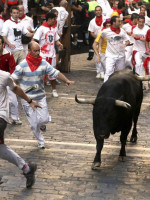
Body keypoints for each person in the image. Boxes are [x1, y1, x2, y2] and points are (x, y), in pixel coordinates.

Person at [11, 41, 74, 149]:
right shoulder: (22, 65)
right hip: (27, 99)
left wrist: (66, 80)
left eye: (39, 50)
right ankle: (41, 141)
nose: (37, 53)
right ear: (29, 51)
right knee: (33, 124)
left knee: (43, 120)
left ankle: (41, 124)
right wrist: (18, 89)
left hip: (40, 97)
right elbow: (12, 79)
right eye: (35, 51)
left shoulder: (43, 63)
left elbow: (55, 72)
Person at [0, 69, 41, 188]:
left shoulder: (4, 76)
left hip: (0, 116)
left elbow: (15, 88)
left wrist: (30, 101)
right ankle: (27, 168)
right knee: (1, 148)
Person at [33, 12, 63, 98]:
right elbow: (34, 39)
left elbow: (55, 40)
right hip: (43, 55)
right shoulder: (41, 29)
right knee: (40, 74)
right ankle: (39, 91)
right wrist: (36, 51)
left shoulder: (53, 29)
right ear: (50, 19)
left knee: (52, 74)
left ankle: (54, 90)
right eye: (54, 19)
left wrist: (59, 44)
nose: (55, 20)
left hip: (52, 55)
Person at [99, 16, 130, 82]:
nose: (120, 22)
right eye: (118, 21)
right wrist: (100, 48)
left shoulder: (122, 31)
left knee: (121, 74)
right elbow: (101, 37)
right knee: (108, 71)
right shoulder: (106, 31)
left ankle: (120, 88)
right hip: (110, 56)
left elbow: (128, 41)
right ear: (113, 22)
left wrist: (124, 45)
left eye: (120, 21)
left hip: (121, 56)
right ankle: (105, 87)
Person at [0, 35, 22, 125]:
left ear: (3, 44)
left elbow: (13, 68)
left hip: (7, 79)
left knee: (13, 100)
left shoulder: (8, 54)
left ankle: (15, 118)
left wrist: (11, 78)